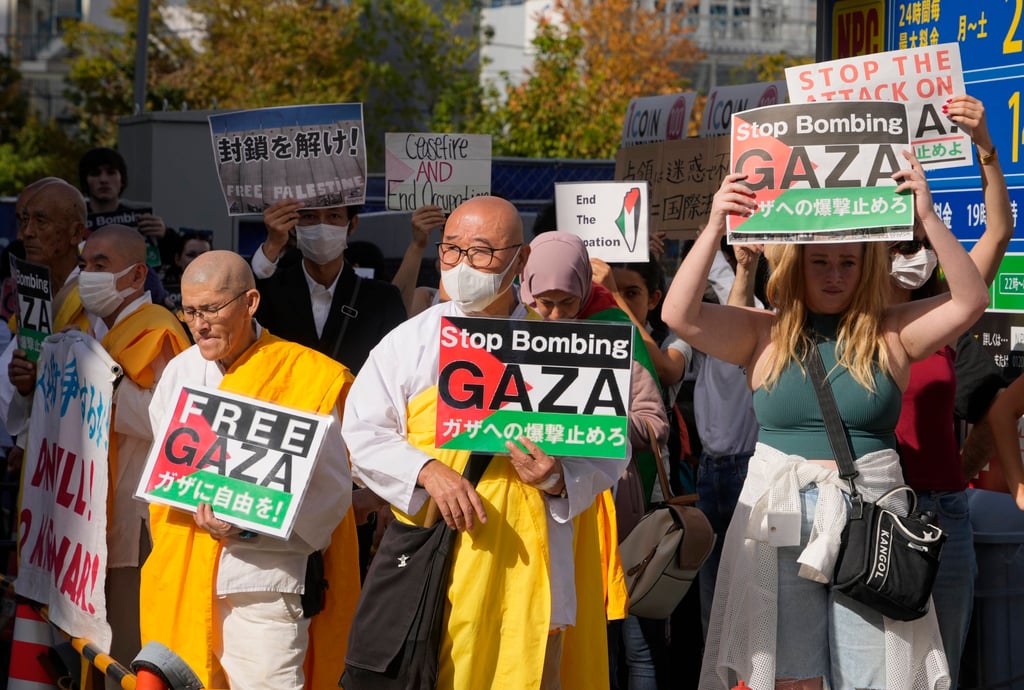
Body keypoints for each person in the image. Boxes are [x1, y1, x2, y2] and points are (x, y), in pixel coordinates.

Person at [661, 151, 989, 689]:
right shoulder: (761, 331)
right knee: (793, 676)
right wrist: (716, 221)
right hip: (779, 514)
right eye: (821, 262)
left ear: (866, 268)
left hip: (869, 521)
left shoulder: (893, 330)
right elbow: (679, 314)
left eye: (848, 262)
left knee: (871, 677)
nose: (835, 275)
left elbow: (971, 299)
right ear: (796, 264)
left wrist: (928, 218)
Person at [341, 196, 623, 689]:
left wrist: (558, 477)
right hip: (443, 557)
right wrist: (427, 472)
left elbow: (603, 457)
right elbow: (363, 431)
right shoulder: (409, 342)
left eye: (482, 252)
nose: (463, 265)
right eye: (452, 250)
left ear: (522, 258)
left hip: (534, 566)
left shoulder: (563, 347)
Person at [141, 251, 354, 690]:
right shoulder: (180, 373)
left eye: (211, 310)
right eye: (190, 311)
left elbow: (333, 493)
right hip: (182, 574)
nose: (199, 324)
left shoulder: (303, 374)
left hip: (262, 584)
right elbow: (170, 471)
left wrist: (249, 526)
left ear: (250, 302)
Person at [889, 95, 1013, 684]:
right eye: (901, 234)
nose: (911, 245)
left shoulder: (949, 308)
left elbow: (999, 230)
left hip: (948, 513)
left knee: (946, 667)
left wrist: (986, 147)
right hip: (882, 512)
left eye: (920, 232)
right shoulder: (857, 319)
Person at [519, 237, 670, 690]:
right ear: (525, 289)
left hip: (605, 506)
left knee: (611, 638)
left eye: (568, 301)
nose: (557, 316)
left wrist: (596, 427)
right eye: (544, 303)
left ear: (586, 287)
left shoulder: (611, 329)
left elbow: (654, 422)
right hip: (527, 513)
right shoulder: (507, 330)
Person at [79, 225, 191, 686]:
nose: (88, 275)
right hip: (94, 517)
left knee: (127, 648)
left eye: (100, 265)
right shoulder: (100, 330)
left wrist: (101, 383)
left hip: (137, 519)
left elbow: (169, 423)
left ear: (136, 274)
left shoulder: (159, 330)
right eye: (85, 265)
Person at [252, 199, 406, 375]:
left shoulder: (383, 301)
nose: (322, 226)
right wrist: (272, 245)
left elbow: (396, 371)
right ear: (294, 225)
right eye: (310, 216)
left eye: (334, 216)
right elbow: (243, 309)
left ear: (352, 224)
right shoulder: (269, 292)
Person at [3, 179, 92, 435]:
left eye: (40, 222)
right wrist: (26, 386)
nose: (26, 233)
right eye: (24, 221)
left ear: (76, 234)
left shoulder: (98, 292)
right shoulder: (34, 289)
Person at [78, 147, 174, 305]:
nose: (103, 179)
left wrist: (165, 236)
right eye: (95, 173)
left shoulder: (142, 219)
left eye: (111, 172)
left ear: (122, 179)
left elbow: (174, 259)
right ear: (85, 180)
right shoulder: (75, 221)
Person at [161, 231, 213, 312]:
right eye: (191, 255)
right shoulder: (162, 291)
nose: (198, 260)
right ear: (177, 259)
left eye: (204, 255)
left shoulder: (225, 291)